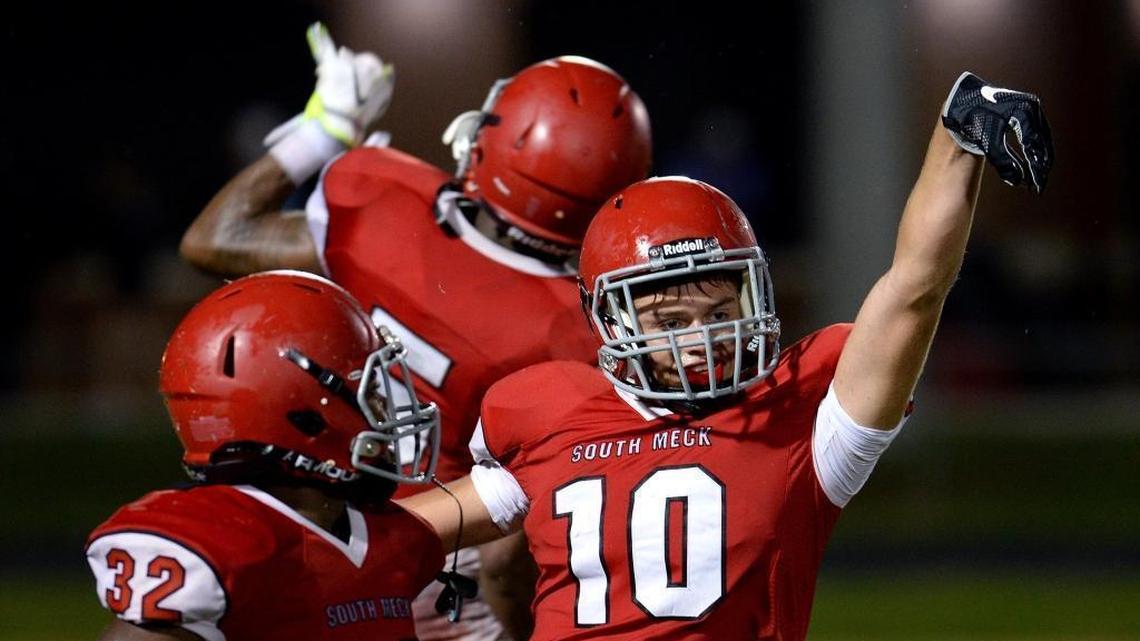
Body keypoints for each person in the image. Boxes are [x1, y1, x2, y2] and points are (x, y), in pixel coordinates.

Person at [398, 72, 1054, 640]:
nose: (701, 338)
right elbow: (404, 532)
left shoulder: (804, 417)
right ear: (607, 317)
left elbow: (915, 288)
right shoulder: (548, 406)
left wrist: (957, 134)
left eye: (718, 314)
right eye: (671, 320)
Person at [178, 23, 652, 641]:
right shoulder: (582, 327)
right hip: (442, 563)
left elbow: (216, 239)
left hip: (312, 526)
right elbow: (515, 544)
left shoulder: (381, 201)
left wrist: (323, 131)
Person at [86, 271, 445, 641]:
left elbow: (486, 504)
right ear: (303, 413)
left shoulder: (374, 530)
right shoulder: (224, 541)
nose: (385, 407)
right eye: (369, 389)